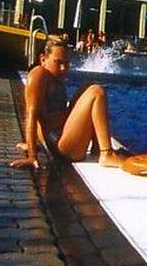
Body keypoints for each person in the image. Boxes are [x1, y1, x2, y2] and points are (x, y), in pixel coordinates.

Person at [10, 36, 124, 170]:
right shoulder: (39, 74)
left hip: (60, 138)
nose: (63, 68)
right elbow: (31, 115)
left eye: (66, 63)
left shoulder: (54, 78)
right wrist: (32, 156)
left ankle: (97, 148)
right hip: (61, 146)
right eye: (58, 63)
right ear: (43, 60)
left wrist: (34, 143)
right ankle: (106, 153)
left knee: (87, 87)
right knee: (96, 92)